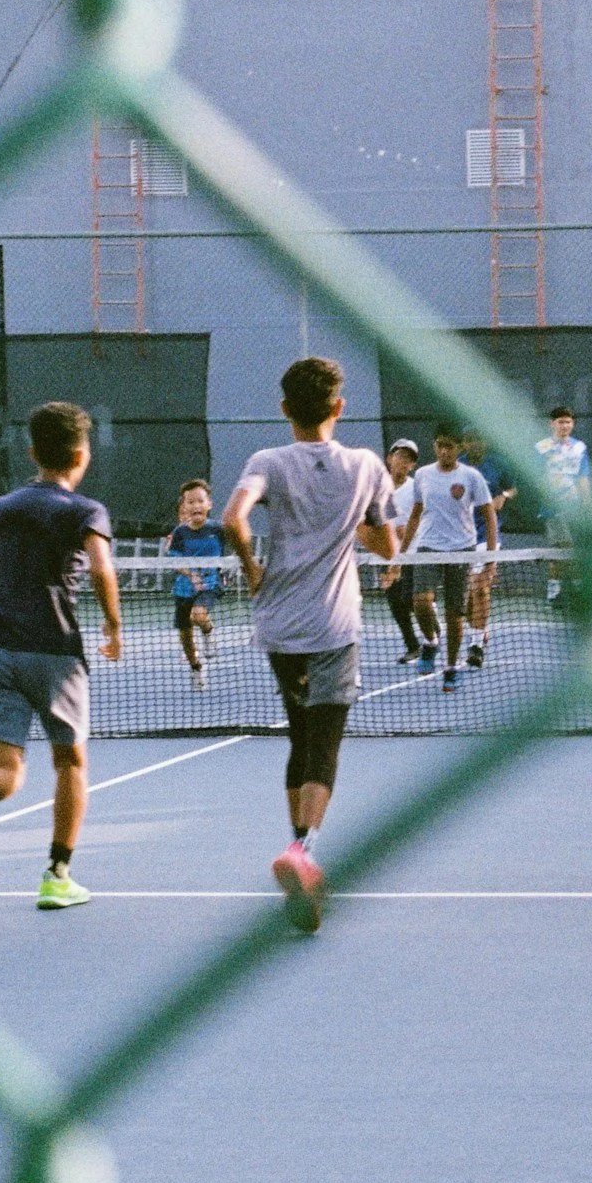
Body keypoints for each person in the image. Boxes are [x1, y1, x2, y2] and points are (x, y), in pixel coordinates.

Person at [221, 356, 398, 933]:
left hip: (279, 627)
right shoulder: (368, 465)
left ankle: (299, 850)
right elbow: (388, 547)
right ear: (339, 408)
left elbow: (233, 518)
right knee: (325, 743)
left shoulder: (266, 461)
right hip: (333, 627)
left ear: (283, 410)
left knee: (300, 737)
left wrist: (251, 566)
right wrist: (355, 524)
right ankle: (303, 851)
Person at [0, 402, 123, 911]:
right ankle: (58, 874)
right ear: (81, 456)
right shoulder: (87, 511)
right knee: (70, 763)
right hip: (55, 654)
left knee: (6, 776)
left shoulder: (1, 507)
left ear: (32, 451)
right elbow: (103, 568)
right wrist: (113, 623)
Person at [404, 427, 495, 688]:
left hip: (462, 549)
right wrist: (403, 551)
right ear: (434, 446)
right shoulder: (422, 475)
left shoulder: (471, 476)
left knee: (455, 615)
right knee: (420, 601)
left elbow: (489, 515)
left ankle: (452, 667)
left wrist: (491, 557)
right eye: (440, 445)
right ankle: (431, 642)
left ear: (460, 448)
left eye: (450, 446)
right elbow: (416, 513)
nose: (445, 451)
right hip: (428, 548)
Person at [459, 431, 514, 666]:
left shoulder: (497, 464)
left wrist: (503, 495)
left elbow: (513, 488)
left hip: (487, 536)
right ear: (464, 443)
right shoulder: (457, 465)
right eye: (471, 439)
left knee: (481, 588)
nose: (475, 443)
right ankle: (480, 630)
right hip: (460, 538)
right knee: (469, 595)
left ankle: (476, 645)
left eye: (479, 438)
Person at [164, 478, 224, 689]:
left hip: (210, 584)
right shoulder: (180, 533)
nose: (196, 505)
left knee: (198, 615)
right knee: (186, 637)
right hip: (183, 590)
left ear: (209, 504)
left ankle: (208, 633)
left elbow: (235, 548)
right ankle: (196, 668)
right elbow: (174, 560)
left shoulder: (218, 530)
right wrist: (191, 575)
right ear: (184, 506)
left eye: (200, 501)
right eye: (191, 502)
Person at [379, 438, 433, 665]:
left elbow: (426, 515)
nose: (403, 462)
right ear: (390, 458)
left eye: (408, 459)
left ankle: (433, 633)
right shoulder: (378, 487)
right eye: (399, 456)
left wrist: (411, 530)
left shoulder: (416, 488)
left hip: (413, 552)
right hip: (385, 553)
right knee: (395, 603)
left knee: (412, 599)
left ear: (413, 465)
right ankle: (412, 646)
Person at [534, 405, 592, 604]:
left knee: (575, 549)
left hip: (576, 508)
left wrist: (587, 505)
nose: (564, 425)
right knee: (560, 549)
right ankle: (556, 591)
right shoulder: (541, 448)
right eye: (560, 422)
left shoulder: (580, 448)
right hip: (554, 509)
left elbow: (583, 477)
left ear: (573, 424)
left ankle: (573, 588)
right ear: (552, 424)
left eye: (568, 421)